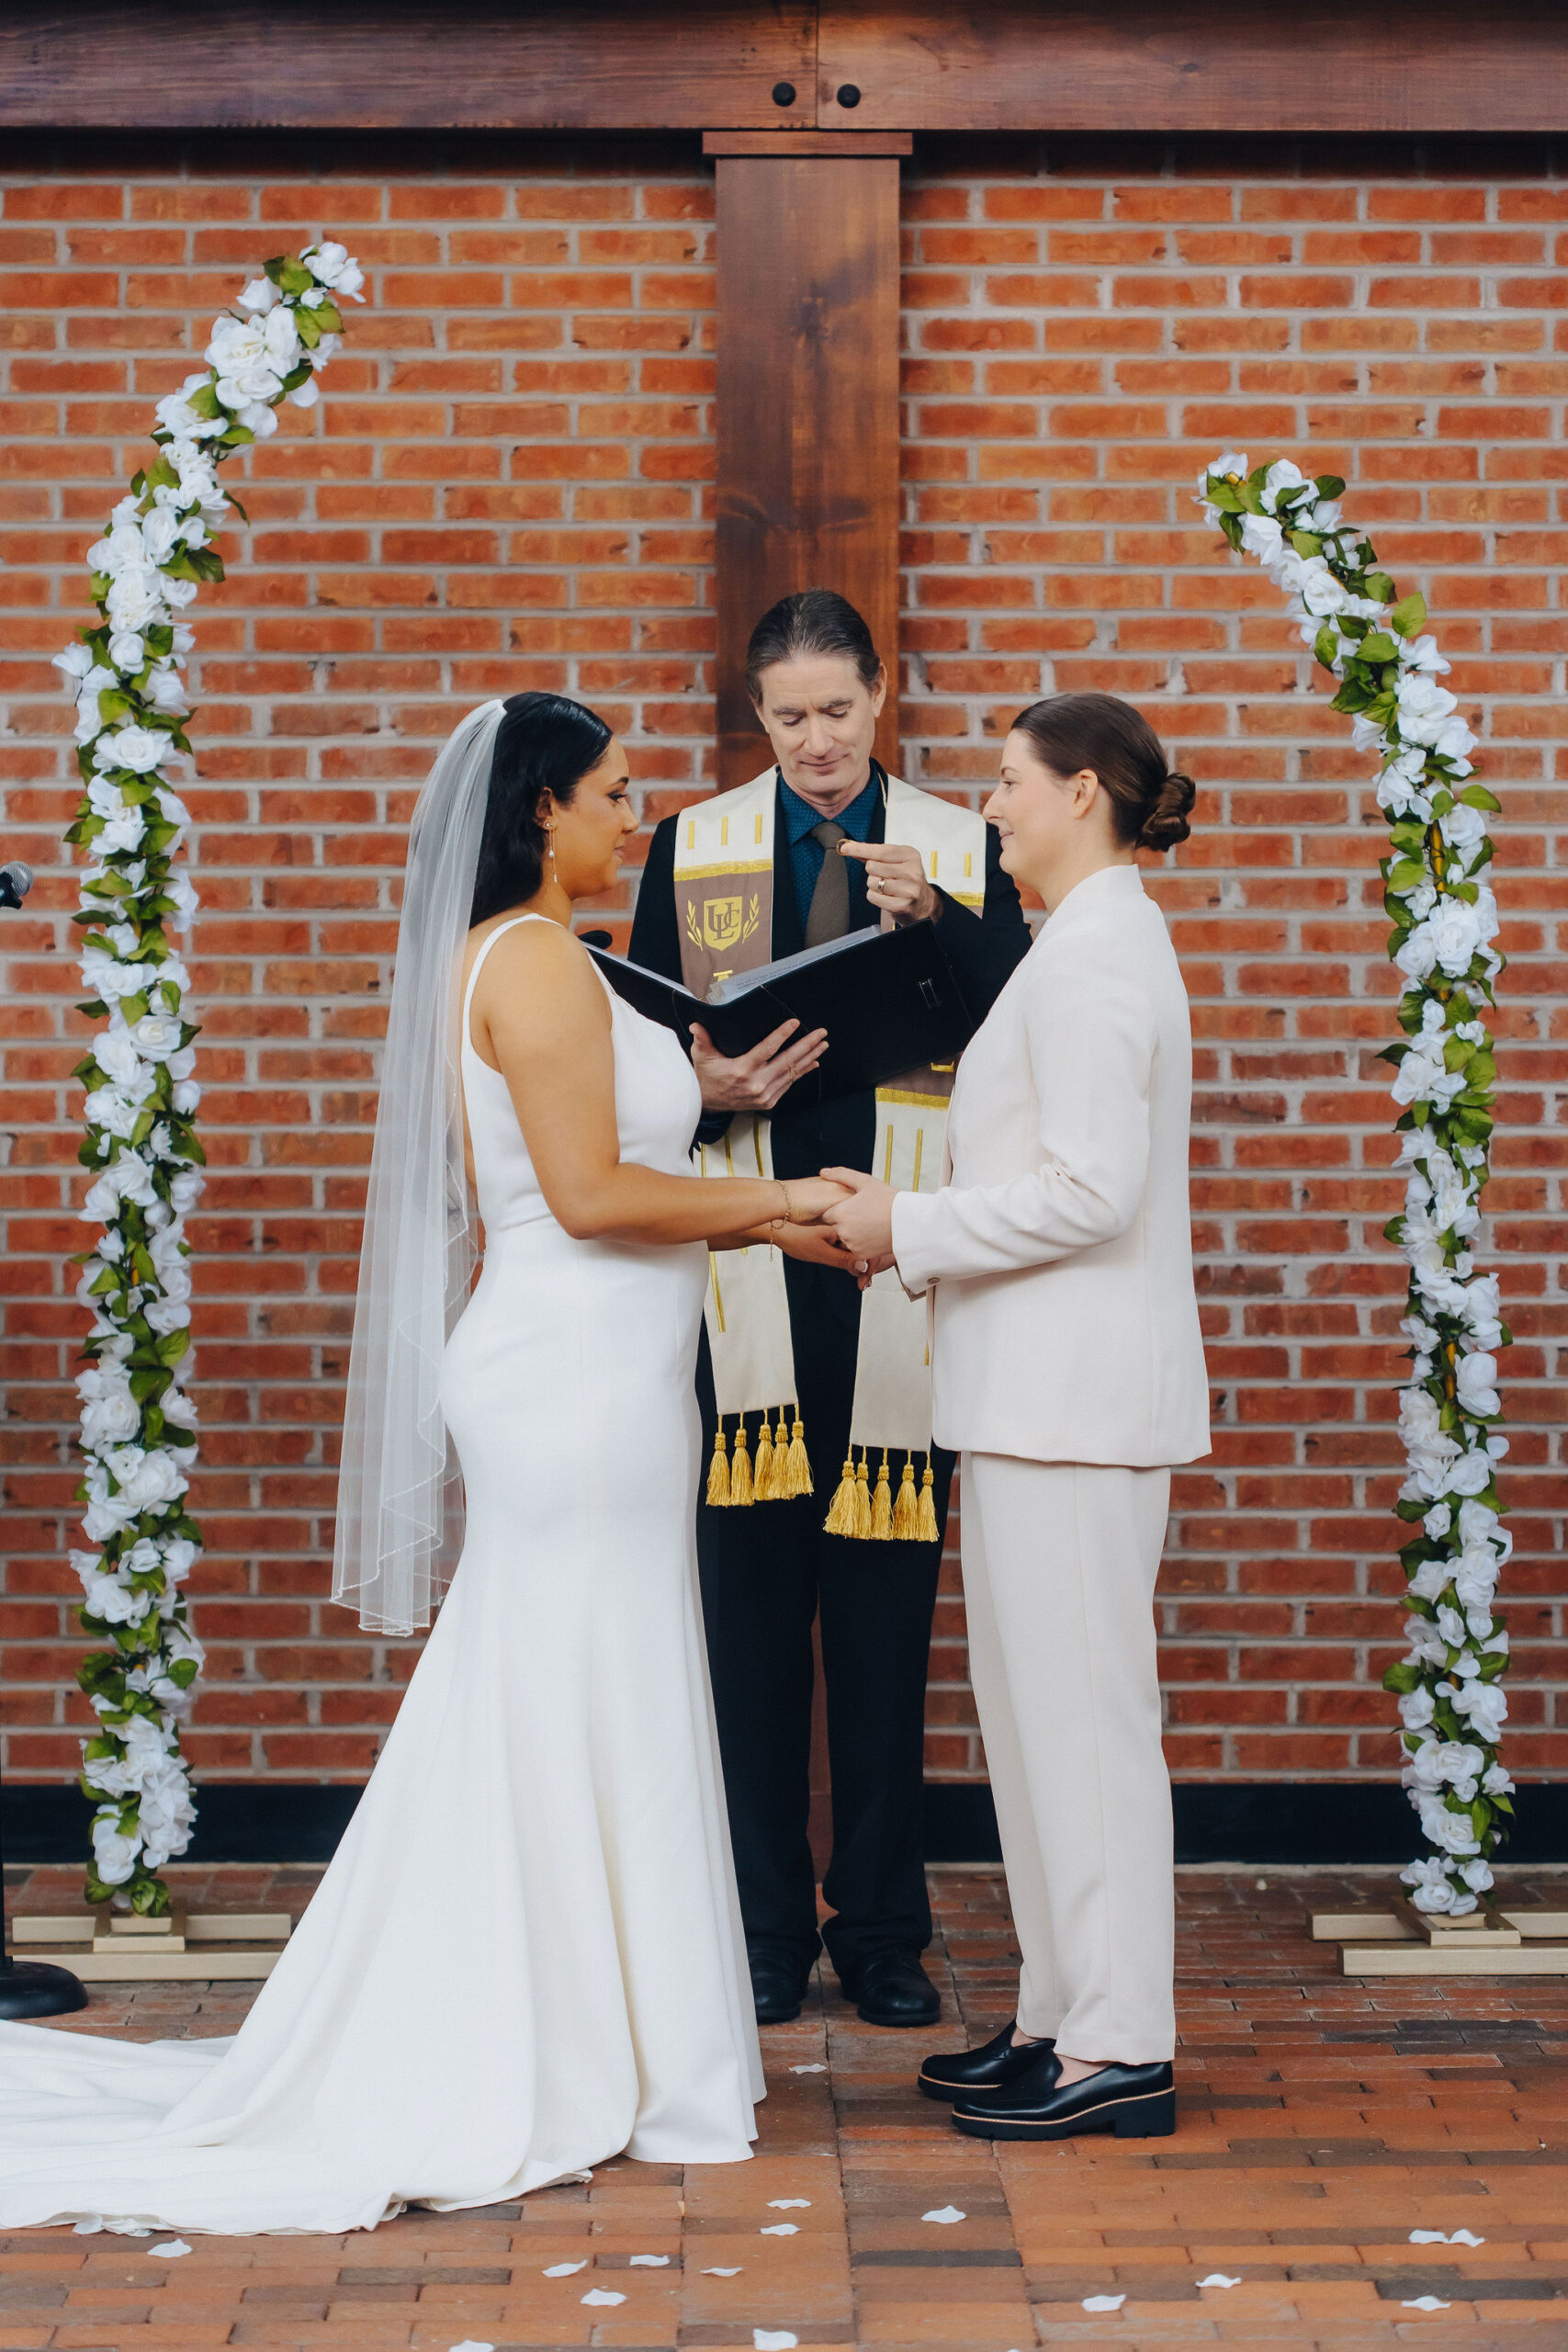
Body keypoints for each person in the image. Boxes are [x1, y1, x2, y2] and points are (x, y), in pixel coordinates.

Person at [0, 693, 851, 2234]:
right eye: (611, 791)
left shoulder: (552, 962)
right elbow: (586, 1199)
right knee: (580, 1684)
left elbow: (583, 1162)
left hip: (600, 1372)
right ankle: (584, 2047)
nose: (633, 814)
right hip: (572, 1381)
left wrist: (719, 1116)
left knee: (584, 1689)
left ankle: (603, 2033)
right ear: (538, 811)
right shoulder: (530, 964)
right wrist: (789, 1211)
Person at [629, 590, 1032, 2030]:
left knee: (879, 1623)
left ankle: (881, 1931)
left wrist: (944, 920)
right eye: (788, 716)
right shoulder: (695, 844)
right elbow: (637, 1054)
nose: (815, 740)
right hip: (744, 1274)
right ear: (759, 715)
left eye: (838, 711)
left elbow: (1022, 1031)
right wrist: (701, 1086)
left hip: (891, 1269)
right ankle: (755, 1930)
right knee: (746, 1627)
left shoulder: (959, 840)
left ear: (880, 697)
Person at [823, 692, 1211, 2142]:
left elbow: (1091, 1191)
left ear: (1087, 793)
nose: (991, 807)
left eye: (1008, 784)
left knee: (1089, 1730)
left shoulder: (1105, 953)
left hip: (1078, 1407)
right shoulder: (1077, 945)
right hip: (1032, 1400)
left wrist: (906, 1221)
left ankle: (1122, 2043)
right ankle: (1059, 2010)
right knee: (1032, 1726)